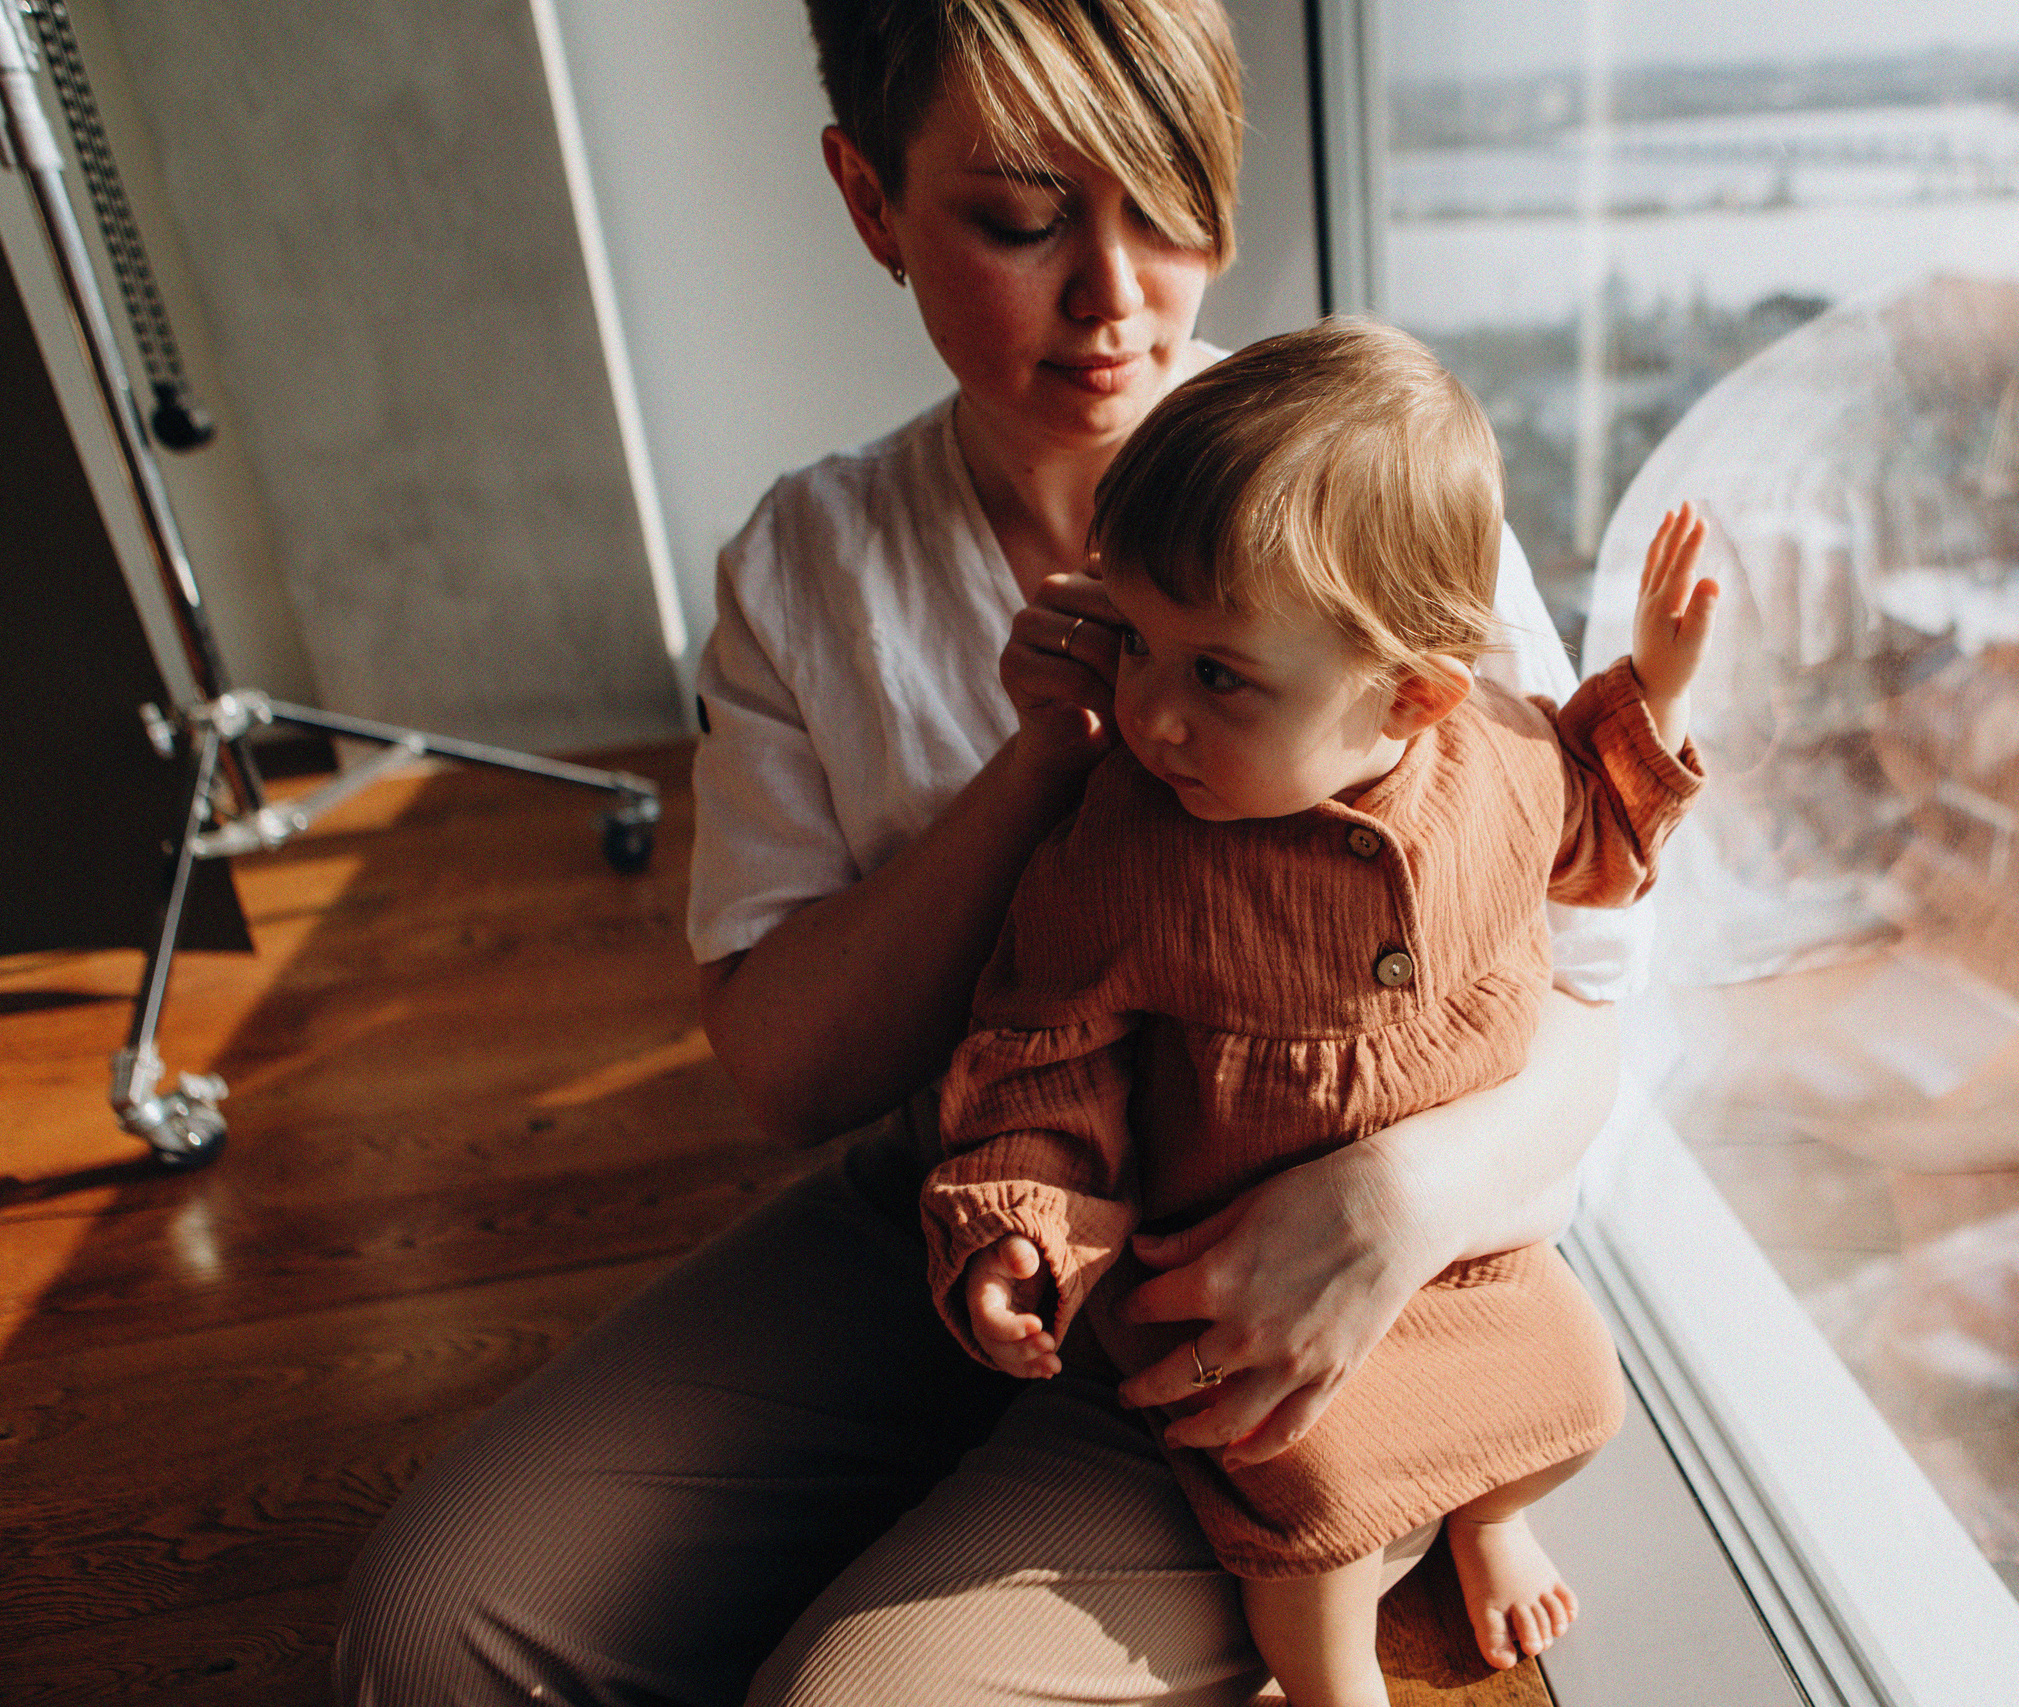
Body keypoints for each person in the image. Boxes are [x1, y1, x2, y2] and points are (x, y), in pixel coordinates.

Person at [332, 2, 1642, 1703]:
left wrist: (1395, 1204)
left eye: (1166, 205)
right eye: (1022, 221)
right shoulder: (815, 563)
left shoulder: (1360, 492)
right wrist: (1041, 768)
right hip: (966, 1190)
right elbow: (791, 1076)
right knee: (435, 1625)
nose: (1114, 296)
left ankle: (1349, 1515)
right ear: (869, 199)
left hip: (1281, 1261)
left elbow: (1592, 976)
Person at [923, 321, 1719, 1707]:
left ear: (1412, 696)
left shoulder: (1503, 756)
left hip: (1460, 1257)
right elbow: (1041, 1056)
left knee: (1586, 1397)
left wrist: (1654, 687)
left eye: (1218, 676)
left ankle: (1483, 1515)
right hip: (1240, 1290)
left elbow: (1596, 827)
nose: (1151, 716)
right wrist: (1020, 1225)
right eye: (1137, 644)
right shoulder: (1130, 849)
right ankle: (1336, 1682)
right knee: (1315, 1506)